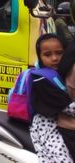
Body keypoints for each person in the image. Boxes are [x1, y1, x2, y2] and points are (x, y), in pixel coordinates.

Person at [30, 33, 75, 162]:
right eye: (47, 55)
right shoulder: (41, 79)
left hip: (60, 120)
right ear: (40, 56)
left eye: (59, 53)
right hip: (46, 125)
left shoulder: (60, 73)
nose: (54, 58)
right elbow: (66, 107)